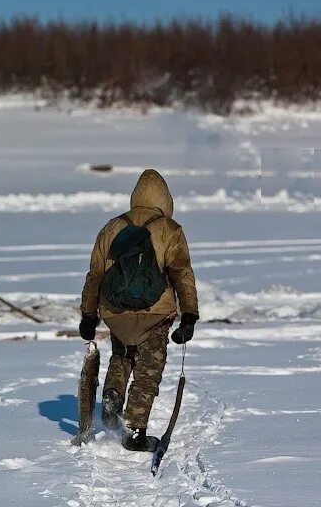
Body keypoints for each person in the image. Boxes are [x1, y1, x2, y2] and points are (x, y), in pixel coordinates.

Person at [78, 169, 199, 451]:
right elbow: (182, 273)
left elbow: (95, 274)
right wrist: (189, 315)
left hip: (116, 312)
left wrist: (88, 314)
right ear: (165, 199)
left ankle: (112, 395)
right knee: (148, 368)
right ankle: (134, 430)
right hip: (155, 313)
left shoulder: (111, 227)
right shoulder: (170, 229)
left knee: (121, 356)